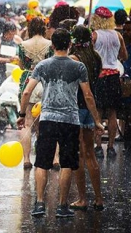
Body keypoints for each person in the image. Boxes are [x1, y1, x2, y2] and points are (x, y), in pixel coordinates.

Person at [16, 28, 104, 218]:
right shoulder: (78, 67)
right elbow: (88, 95)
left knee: (42, 163)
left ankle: (39, 203)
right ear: (69, 44)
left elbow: (26, 92)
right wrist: (96, 120)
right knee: (66, 163)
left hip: (47, 119)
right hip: (70, 120)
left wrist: (22, 113)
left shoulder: (43, 66)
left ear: (53, 45)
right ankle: (62, 205)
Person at [69, 25, 104, 211]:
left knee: (78, 155)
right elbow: (94, 84)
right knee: (90, 154)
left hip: (75, 108)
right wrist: (97, 117)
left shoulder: (74, 59)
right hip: (90, 108)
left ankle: (82, 199)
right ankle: (98, 198)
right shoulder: (96, 58)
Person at [17, 17, 56, 170]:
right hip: (46, 82)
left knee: (27, 123)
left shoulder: (22, 45)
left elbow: (21, 66)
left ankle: (26, 159)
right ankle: (46, 157)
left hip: (28, 81)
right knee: (44, 123)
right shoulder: (49, 44)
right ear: (43, 27)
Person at [91, 7, 128, 157]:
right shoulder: (118, 35)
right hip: (114, 77)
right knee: (112, 113)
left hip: (99, 77)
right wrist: (114, 59)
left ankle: (99, 146)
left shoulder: (94, 36)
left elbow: (91, 56)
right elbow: (124, 56)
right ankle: (111, 147)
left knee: (98, 112)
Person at [0, 21, 21, 88]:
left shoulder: (17, 39)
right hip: (0, 69)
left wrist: (19, 57)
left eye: (13, 34)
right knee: (2, 87)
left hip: (14, 68)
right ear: (4, 32)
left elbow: (24, 52)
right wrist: (8, 60)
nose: (11, 36)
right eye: (9, 34)